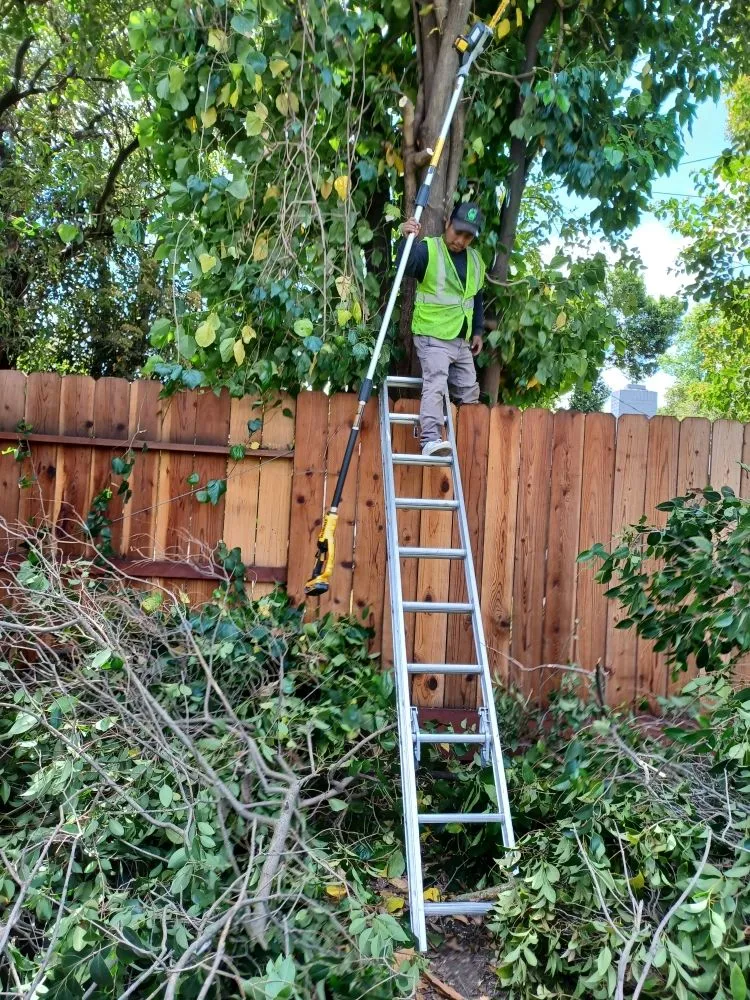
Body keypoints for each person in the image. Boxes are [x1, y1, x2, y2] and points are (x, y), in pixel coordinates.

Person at [395, 201, 486, 457]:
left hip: (461, 340)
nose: (461, 240)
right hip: (432, 336)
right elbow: (405, 266)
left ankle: (472, 443)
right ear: (447, 223)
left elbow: (476, 299)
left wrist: (477, 330)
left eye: (468, 236)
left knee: (470, 391)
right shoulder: (430, 250)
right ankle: (430, 440)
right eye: (458, 232)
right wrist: (407, 238)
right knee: (435, 383)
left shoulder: (476, 261)